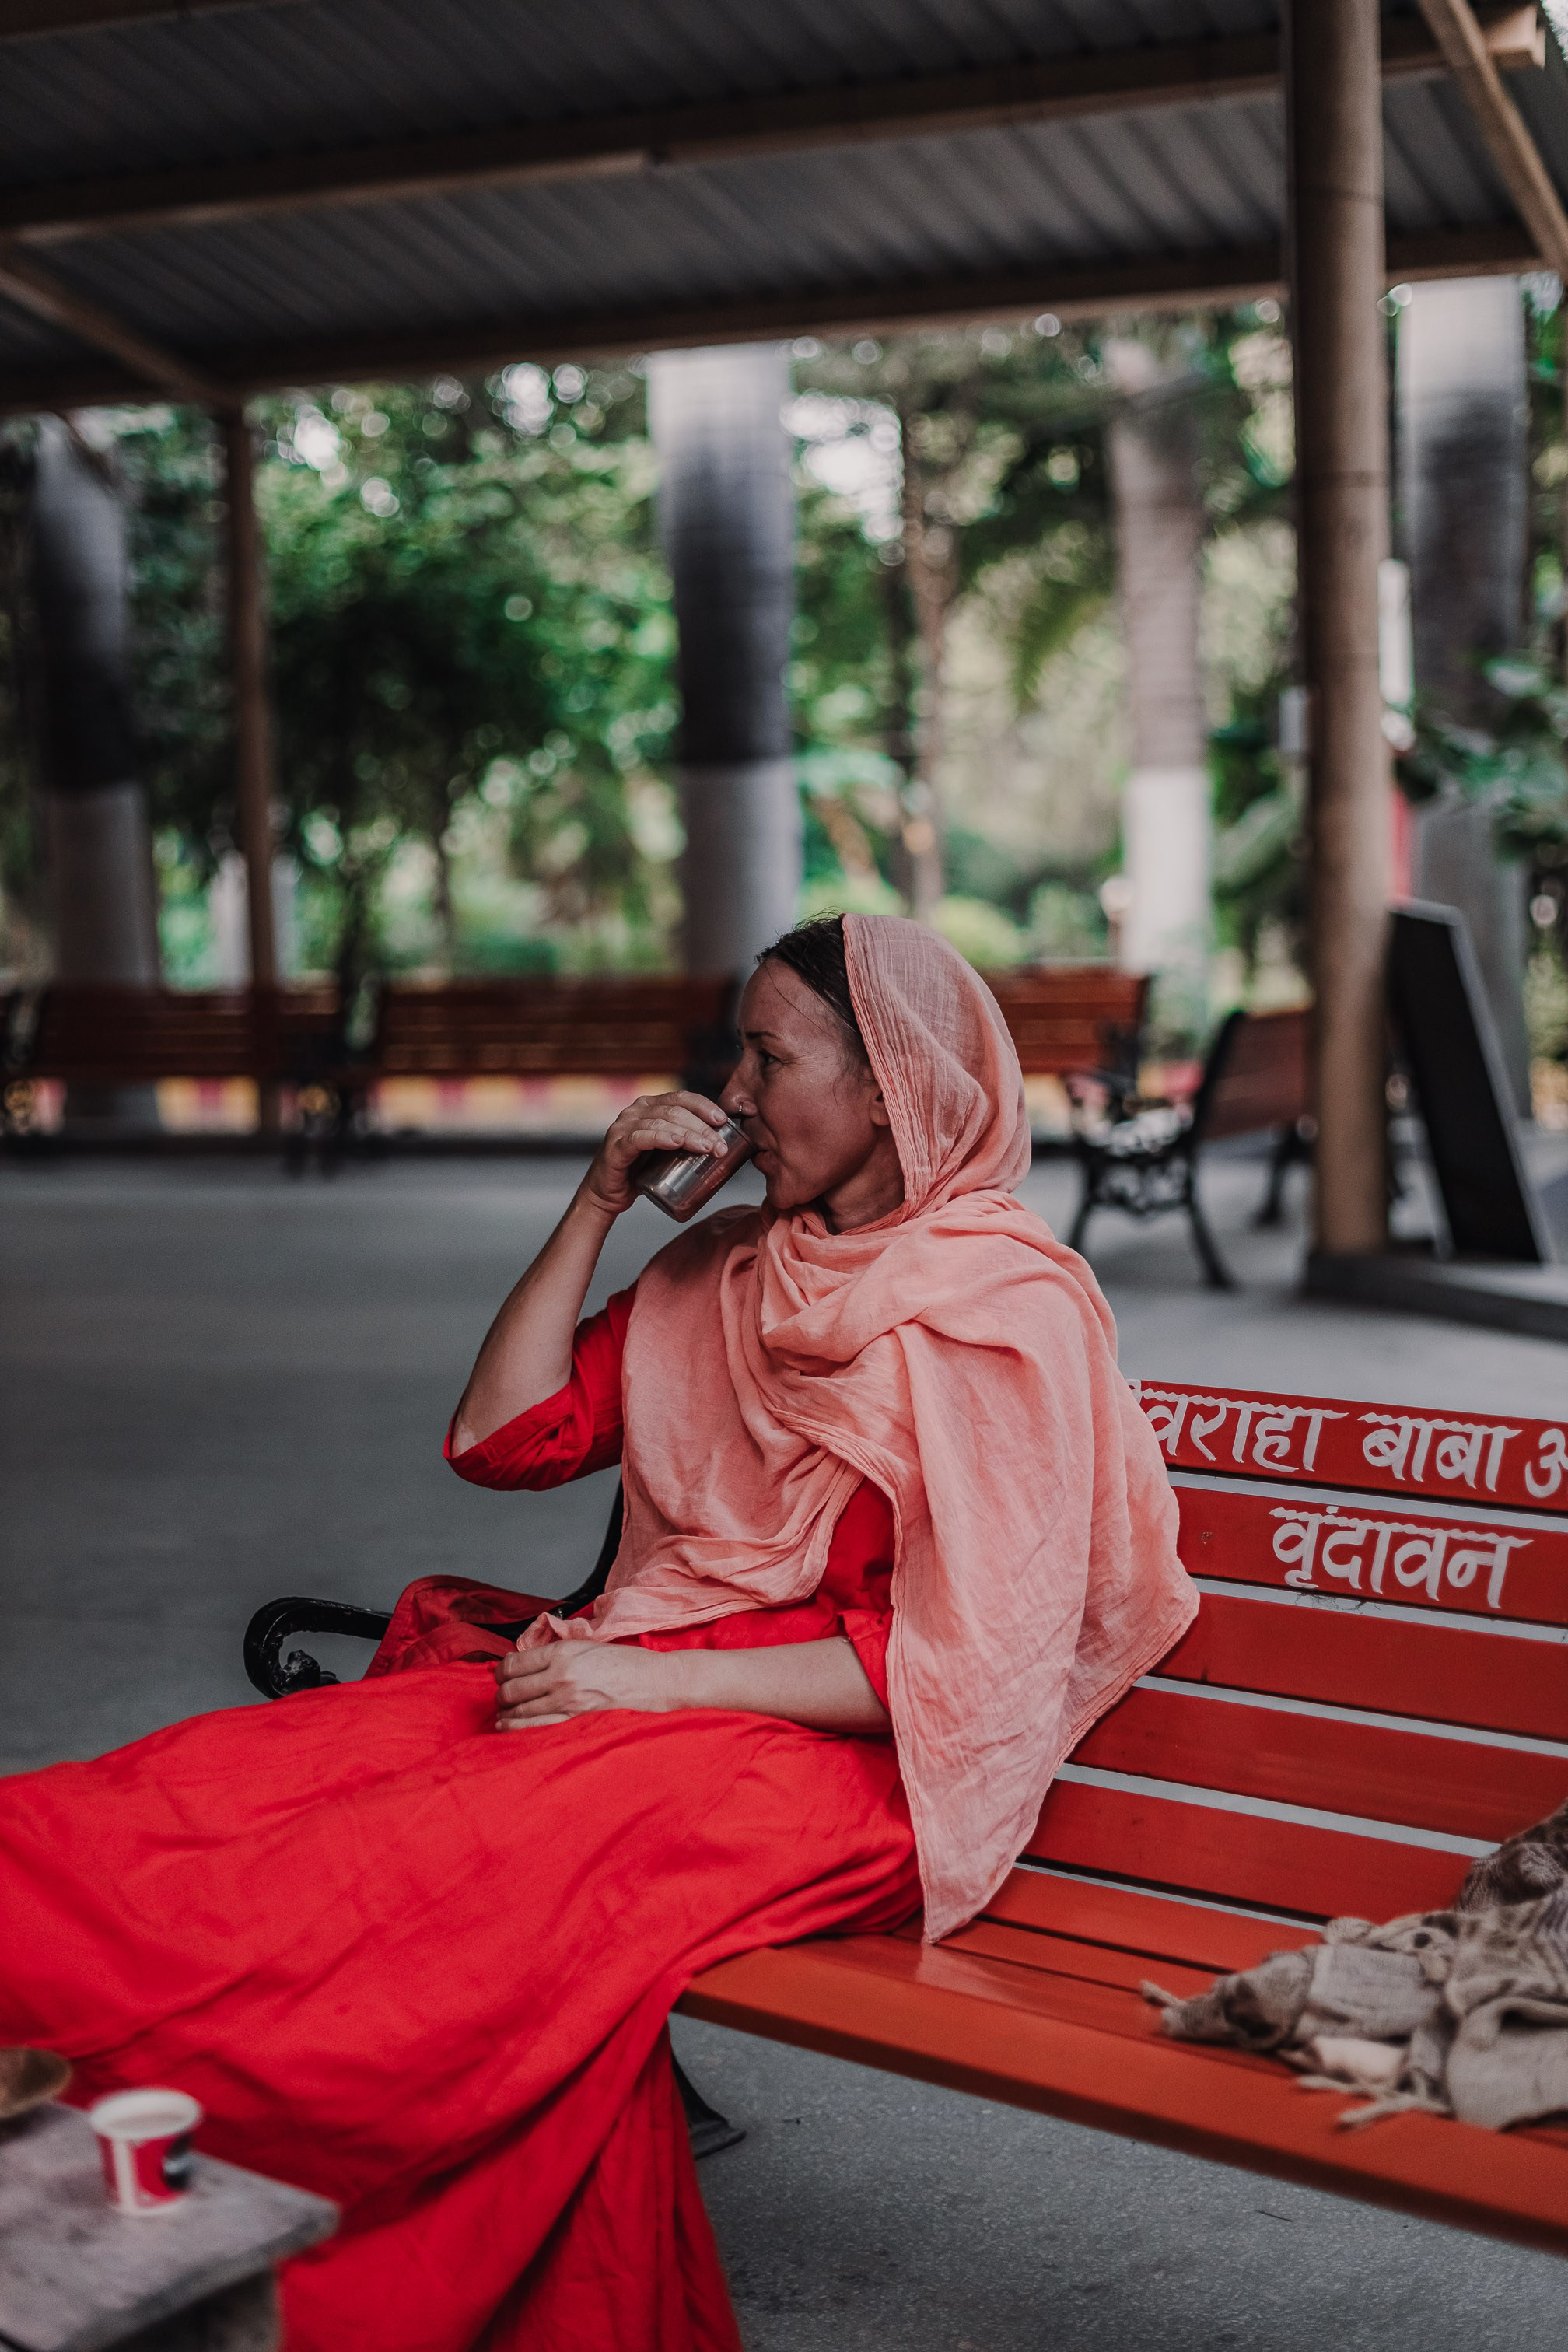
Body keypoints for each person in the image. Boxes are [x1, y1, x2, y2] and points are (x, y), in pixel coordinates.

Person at [0, 914, 1194, 2352]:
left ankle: (202, 2226)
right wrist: (594, 1207)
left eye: (768, 1057)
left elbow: (958, 1671)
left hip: (846, 1767)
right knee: (220, 1790)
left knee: (402, 1879)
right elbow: (498, 1436)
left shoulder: (1003, 1313)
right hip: (631, 1685)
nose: (732, 1093)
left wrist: (633, 1686)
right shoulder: (729, 1273)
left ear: (891, 1086)